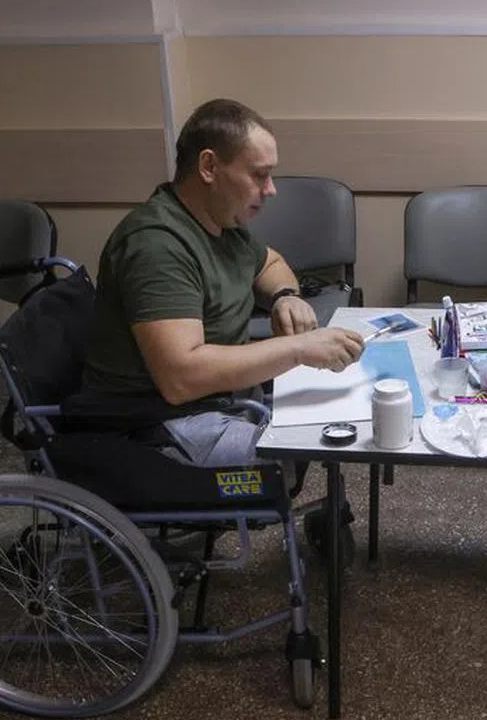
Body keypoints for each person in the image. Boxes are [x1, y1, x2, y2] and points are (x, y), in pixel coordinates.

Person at [82, 98, 364, 466]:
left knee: (334, 411)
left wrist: (285, 296)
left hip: (220, 400)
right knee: (309, 444)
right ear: (209, 167)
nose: (272, 189)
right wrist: (298, 349)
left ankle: (326, 516)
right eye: (260, 175)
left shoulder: (220, 223)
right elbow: (181, 377)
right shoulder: (157, 244)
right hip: (159, 425)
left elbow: (270, 263)